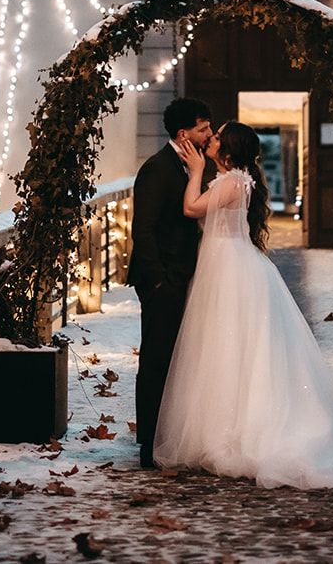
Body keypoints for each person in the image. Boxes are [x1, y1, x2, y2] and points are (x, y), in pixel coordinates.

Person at [154, 121, 333, 488]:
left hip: (229, 266)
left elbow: (190, 208)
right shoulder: (235, 178)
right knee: (224, 344)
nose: (209, 140)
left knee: (231, 343)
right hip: (225, 263)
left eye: (216, 138)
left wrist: (196, 170)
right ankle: (222, 425)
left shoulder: (231, 181)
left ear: (227, 152)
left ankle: (238, 430)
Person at [126, 97, 213, 470]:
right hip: (164, 281)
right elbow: (142, 230)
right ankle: (148, 444)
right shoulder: (157, 169)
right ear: (184, 134)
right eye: (203, 129)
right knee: (157, 360)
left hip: (186, 277)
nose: (209, 134)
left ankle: (170, 435)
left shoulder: (193, 165)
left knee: (180, 361)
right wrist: (159, 282)